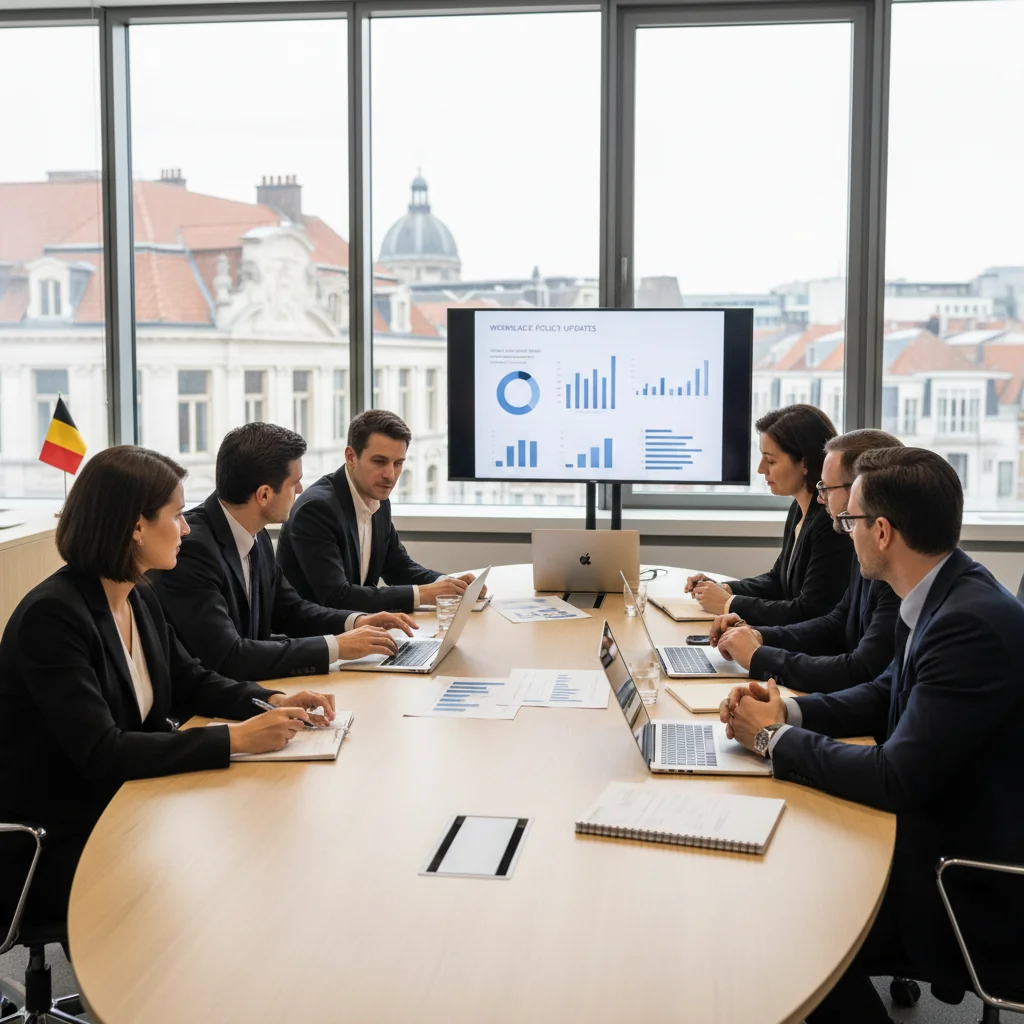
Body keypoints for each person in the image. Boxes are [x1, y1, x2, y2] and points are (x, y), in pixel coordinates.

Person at [719, 447, 1024, 1021]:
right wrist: (788, 715)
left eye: (849, 521)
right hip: (935, 829)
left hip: (967, 883)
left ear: (881, 531)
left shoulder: (968, 623)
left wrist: (769, 742)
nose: (842, 531)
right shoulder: (946, 590)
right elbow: (885, 690)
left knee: (784, 921)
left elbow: (896, 778)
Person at [0, 446, 335, 931]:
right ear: (136, 526)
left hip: (128, 807)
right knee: (216, 892)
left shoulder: (138, 595)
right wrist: (237, 739)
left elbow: (191, 679)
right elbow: (103, 752)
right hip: (55, 836)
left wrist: (271, 700)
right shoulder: (53, 617)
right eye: (176, 515)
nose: (186, 528)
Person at [152, 423, 417, 682]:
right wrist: (336, 647)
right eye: (295, 483)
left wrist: (357, 622)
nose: (301, 490)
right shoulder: (194, 550)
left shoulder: (257, 535)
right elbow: (228, 656)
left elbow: (290, 610)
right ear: (264, 495)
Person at [708, 429, 902, 693]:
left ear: (862, 490)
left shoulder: (897, 569)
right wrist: (759, 635)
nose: (821, 499)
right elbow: (836, 622)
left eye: (826, 488)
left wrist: (759, 656)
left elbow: (862, 670)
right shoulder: (864, 546)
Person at [277, 409, 481, 613]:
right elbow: (337, 596)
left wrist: (447, 584)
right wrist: (424, 594)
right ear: (350, 457)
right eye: (380, 462)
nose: (390, 475)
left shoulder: (378, 500)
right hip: (314, 637)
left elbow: (398, 566)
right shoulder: (316, 509)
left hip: (358, 630)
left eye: (398, 463)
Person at [685, 404, 851, 626]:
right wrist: (723, 588)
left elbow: (811, 610)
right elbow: (777, 580)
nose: (761, 469)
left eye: (770, 460)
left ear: (804, 462)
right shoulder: (799, 508)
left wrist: (729, 604)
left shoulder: (828, 522)